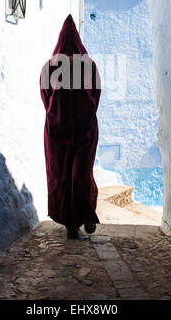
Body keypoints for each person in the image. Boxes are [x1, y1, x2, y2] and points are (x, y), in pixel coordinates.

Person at [39, 14, 101, 239]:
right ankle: (70, 222)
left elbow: (95, 95)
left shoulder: (89, 66)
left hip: (85, 131)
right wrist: (58, 118)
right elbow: (46, 98)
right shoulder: (50, 68)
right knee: (61, 178)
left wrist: (83, 117)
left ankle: (87, 215)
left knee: (80, 175)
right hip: (57, 134)